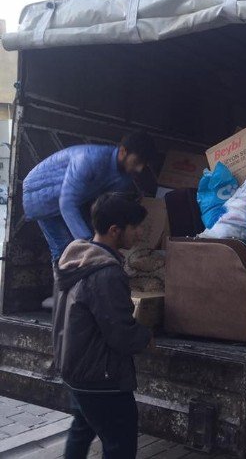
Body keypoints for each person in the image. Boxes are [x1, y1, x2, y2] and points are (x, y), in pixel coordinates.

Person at [52, 193, 153, 459]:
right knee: (119, 446)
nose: (141, 234)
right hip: (102, 379)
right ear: (114, 230)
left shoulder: (75, 259)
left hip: (77, 370)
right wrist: (146, 337)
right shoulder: (106, 273)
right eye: (136, 227)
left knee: (81, 429)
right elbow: (121, 333)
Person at [22, 131, 156, 263]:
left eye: (143, 164)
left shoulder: (126, 175)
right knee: (65, 248)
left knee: (91, 241)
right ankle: (64, 282)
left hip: (78, 197)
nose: (139, 169)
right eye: (137, 161)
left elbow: (105, 207)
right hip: (43, 194)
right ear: (123, 151)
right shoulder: (89, 159)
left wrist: (106, 243)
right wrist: (88, 243)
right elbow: (67, 203)